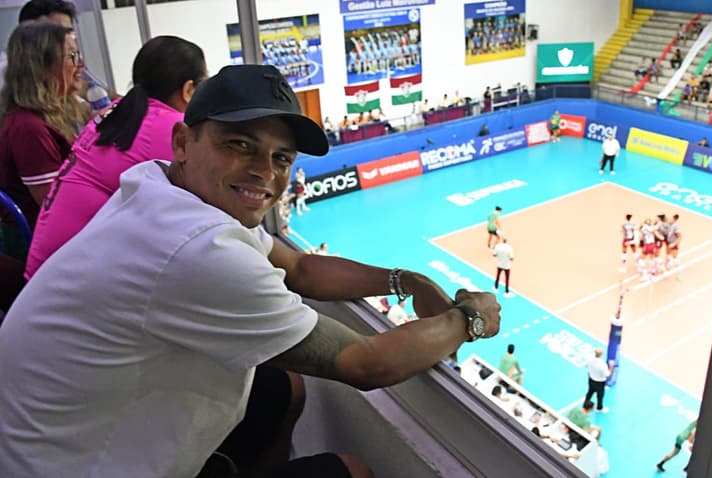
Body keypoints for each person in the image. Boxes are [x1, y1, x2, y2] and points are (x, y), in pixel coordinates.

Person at [0, 64, 503, 478]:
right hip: (67, 464)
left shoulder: (160, 188)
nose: (265, 170)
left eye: (281, 157)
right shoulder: (198, 248)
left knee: (285, 388)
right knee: (352, 472)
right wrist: (468, 317)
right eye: (239, 144)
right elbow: (367, 364)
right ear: (182, 141)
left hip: (46, 437)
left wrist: (404, 280)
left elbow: (301, 269)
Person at [25, 35, 207, 279]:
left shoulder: (118, 111)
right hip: (69, 282)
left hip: (47, 270)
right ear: (188, 90)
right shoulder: (172, 128)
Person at [0, 21, 88, 261]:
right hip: (36, 249)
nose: (81, 65)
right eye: (72, 56)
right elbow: (55, 207)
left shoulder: (50, 115)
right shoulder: (27, 128)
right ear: (43, 68)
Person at [584, 348, 611, 413]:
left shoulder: (589, 359)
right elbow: (607, 375)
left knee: (590, 392)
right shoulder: (602, 364)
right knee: (600, 395)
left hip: (591, 379)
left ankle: (585, 404)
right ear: (601, 354)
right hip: (599, 383)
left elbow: (586, 366)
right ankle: (599, 408)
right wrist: (611, 367)